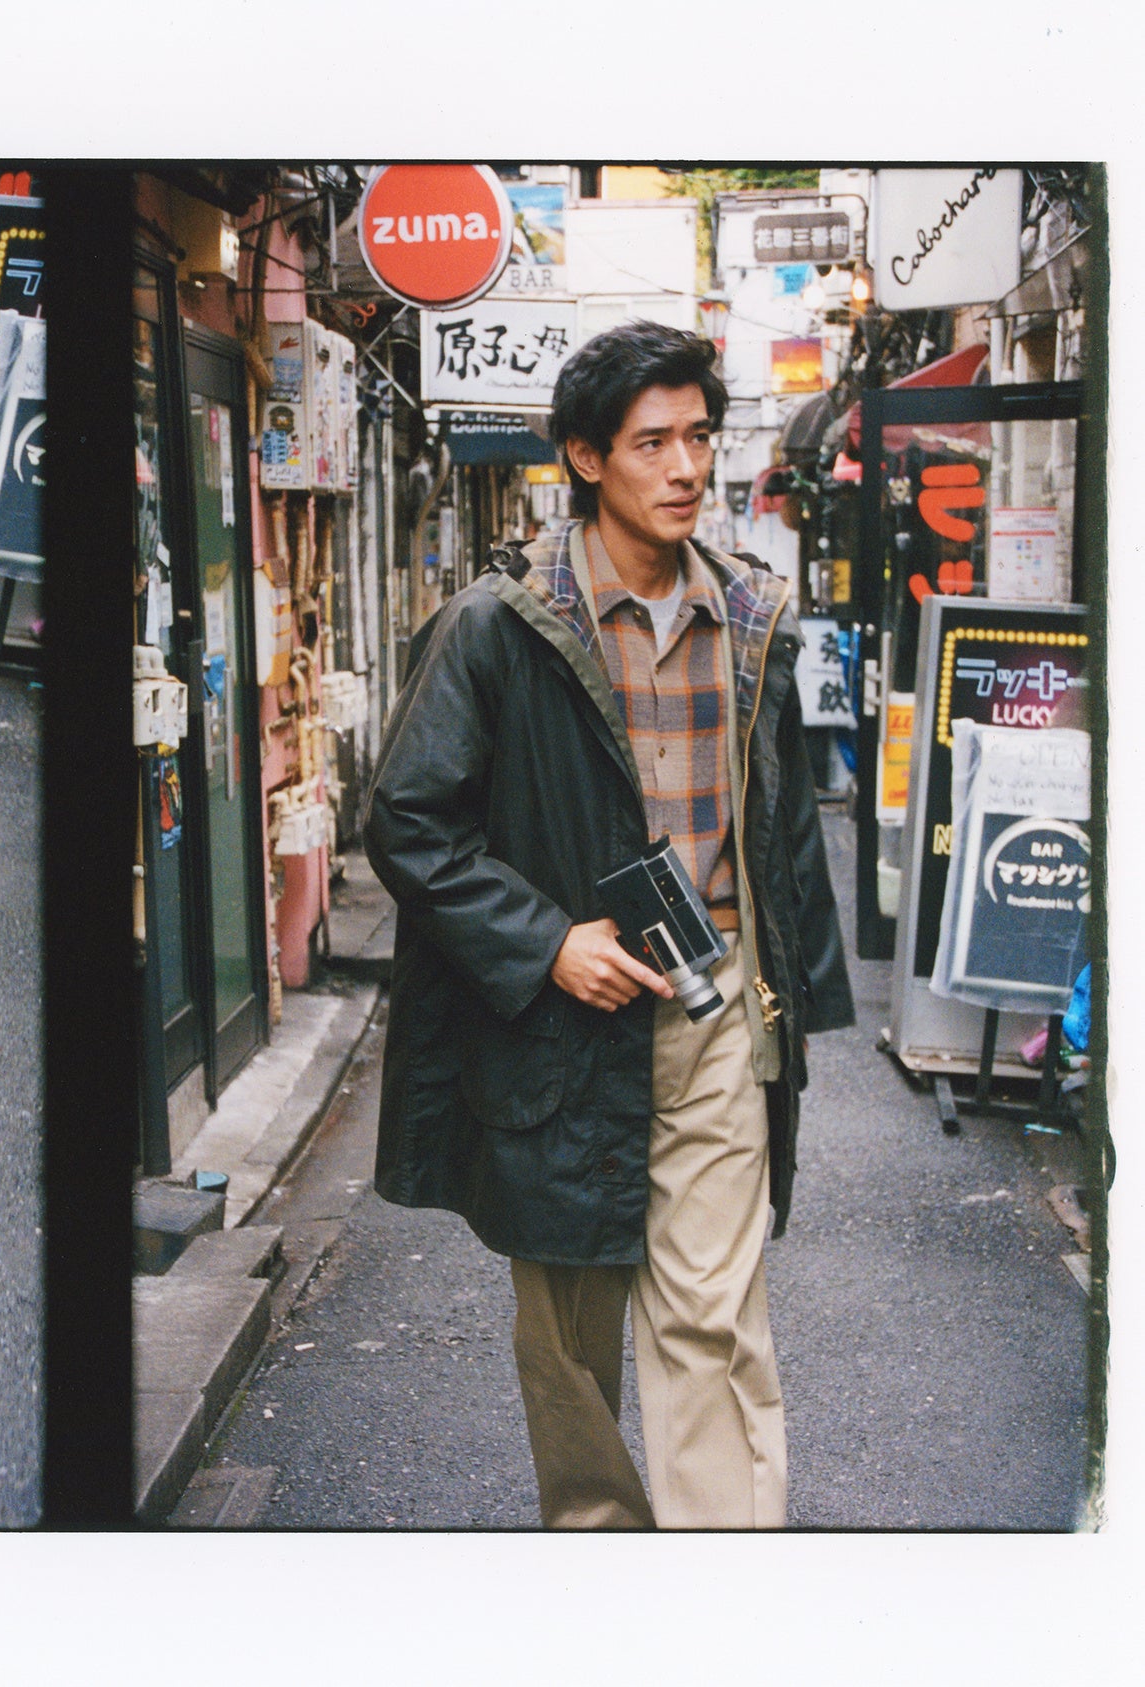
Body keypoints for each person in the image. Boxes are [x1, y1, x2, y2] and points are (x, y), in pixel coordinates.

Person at [363, 320, 854, 1528]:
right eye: (652, 442)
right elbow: (409, 818)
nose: (685, 466)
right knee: (570, 1337)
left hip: (714, 1011)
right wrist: (545, 942)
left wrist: (792, 991)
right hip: (564, 1024)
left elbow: (781, 824)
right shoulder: (502, 625)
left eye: (699, 435)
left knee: (713, 1319)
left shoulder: (751, 617)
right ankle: (601, 1553)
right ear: (586, 457)